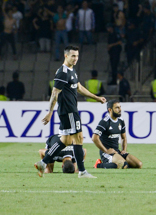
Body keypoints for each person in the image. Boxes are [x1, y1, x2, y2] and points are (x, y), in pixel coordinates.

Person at [36, 45, 105, 178]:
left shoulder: (71, 71)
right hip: (69, 111)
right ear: (66, 56)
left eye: (77, 56)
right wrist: (50, 112)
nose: (76, 58)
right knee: (78, 138)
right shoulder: (63, 72)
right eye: (73, 56)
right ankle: (82, 171)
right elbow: (55, 92)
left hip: (68, 111)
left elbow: (78, 87)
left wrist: (96, 97)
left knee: (66, 140)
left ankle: (43, 163)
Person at [92, 100, 144, 169]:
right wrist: (106, 151)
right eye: (117, 108)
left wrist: (124, 150)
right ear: (110, 110)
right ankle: (98, 165)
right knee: (123, 164)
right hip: (106, 153)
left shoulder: (121, 121)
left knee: (139, 164)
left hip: (117, 152)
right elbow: (94, 138)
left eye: (120, 107)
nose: (120, 109)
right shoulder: (105, 122)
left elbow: (124, 138)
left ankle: (117, 163)